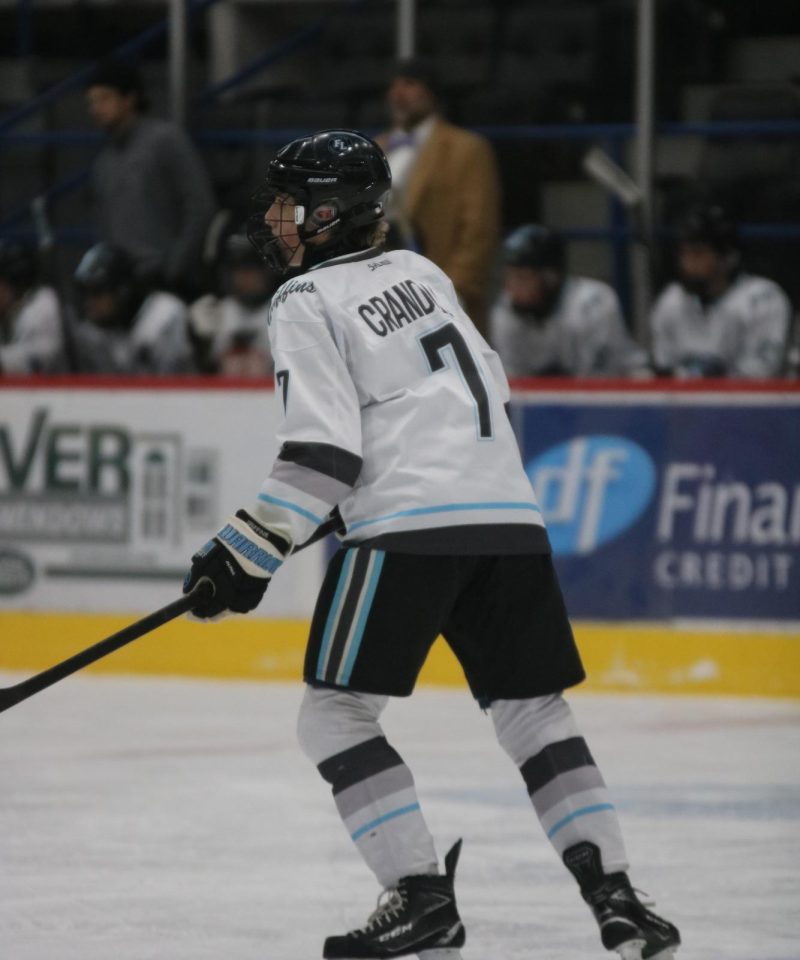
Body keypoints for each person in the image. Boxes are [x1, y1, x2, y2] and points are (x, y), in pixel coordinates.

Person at [182, 129, 681, 960]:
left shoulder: (305, 302)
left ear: (333, 214)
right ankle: (618, 897)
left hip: (409, 527)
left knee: (334, 715)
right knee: (535, 715)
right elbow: (467, 400)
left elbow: (323, 455)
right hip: (509, 518)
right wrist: (336, 511)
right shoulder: (424, 274)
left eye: (291, 202)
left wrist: (243, 552)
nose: (275, 218)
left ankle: (420, 899)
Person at [377, 58, 501, 337]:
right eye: (393, 86)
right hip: (381, 292)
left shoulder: (467, 149)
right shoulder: (376, 147)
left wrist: (453, 289)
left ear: (432, 93)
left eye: (409, 84)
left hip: (441, 287)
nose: (398, 94)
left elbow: (478, 229)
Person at [86, 59, 217, 296]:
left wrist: (174, 268)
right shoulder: (103, 161)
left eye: (104, 98)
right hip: (123, 285)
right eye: (92, 101)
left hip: (167, 279)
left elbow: (200, 206)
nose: (96, 108)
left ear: (129, 98)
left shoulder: (165, 140)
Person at [650, 204, 793, 378]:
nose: (687, 263)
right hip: (685, 403)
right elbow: (665, 370)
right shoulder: (671, 300)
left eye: (698, 253)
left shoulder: (762, 299)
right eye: (684, 254)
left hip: (751, 404)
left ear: (727, 257)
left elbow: (763, 374)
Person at [490, 223, 650, 378]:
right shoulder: (504, 312)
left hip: (614, 394)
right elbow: (512, 383)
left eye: (522, 278)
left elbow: (598, 380)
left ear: (550, 277)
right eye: (509, 276)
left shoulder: (593, 304)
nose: (511, 287)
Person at [72, 242, 195, 374]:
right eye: (86, 294)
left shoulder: (164, 315)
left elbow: (172, 385)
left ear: (122, 291)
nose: (89, 303)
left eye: (97, 293)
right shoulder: (91, 332)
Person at [187, 232, 276, 375]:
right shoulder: (214, 312)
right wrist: (201, 344)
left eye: (253, 270)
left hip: (270, 394)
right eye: (241, 270)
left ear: (267, 272)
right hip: (219, 395)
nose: (247, 278)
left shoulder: (281, 311)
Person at [0, 240, 65, 374]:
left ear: (16, 283)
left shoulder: (43, 306)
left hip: (65, 391)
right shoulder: (12, 312)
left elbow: (36, 361)